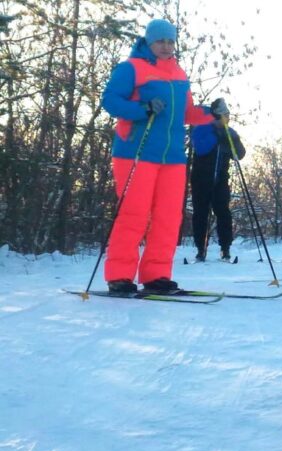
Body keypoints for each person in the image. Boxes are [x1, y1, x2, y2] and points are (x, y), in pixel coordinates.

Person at [101, 19, 224, 293]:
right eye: (160, 41)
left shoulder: (179, 74)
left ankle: (156, 275)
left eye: (170, 41)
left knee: (168, 217)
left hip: (172, 156)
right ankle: (119, 275)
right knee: (134, 213)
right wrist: (142, 108)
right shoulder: (131, 68)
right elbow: (110, 101)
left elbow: (186, 112)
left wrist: (211, 113)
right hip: (136, 151)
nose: (166, 46)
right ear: (149, 41)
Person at [189, 117, 246, 262]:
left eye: (227, 116)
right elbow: (200, 149)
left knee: (223, 212)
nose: (224, 119)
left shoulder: (229, 132)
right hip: (201, 179)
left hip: (221, 179)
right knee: (200, 213)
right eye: (221, 115)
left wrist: (233, 139)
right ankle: (201, 248)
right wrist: (216, 137)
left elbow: (239, 154)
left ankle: (225, 248)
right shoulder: (202, 128)